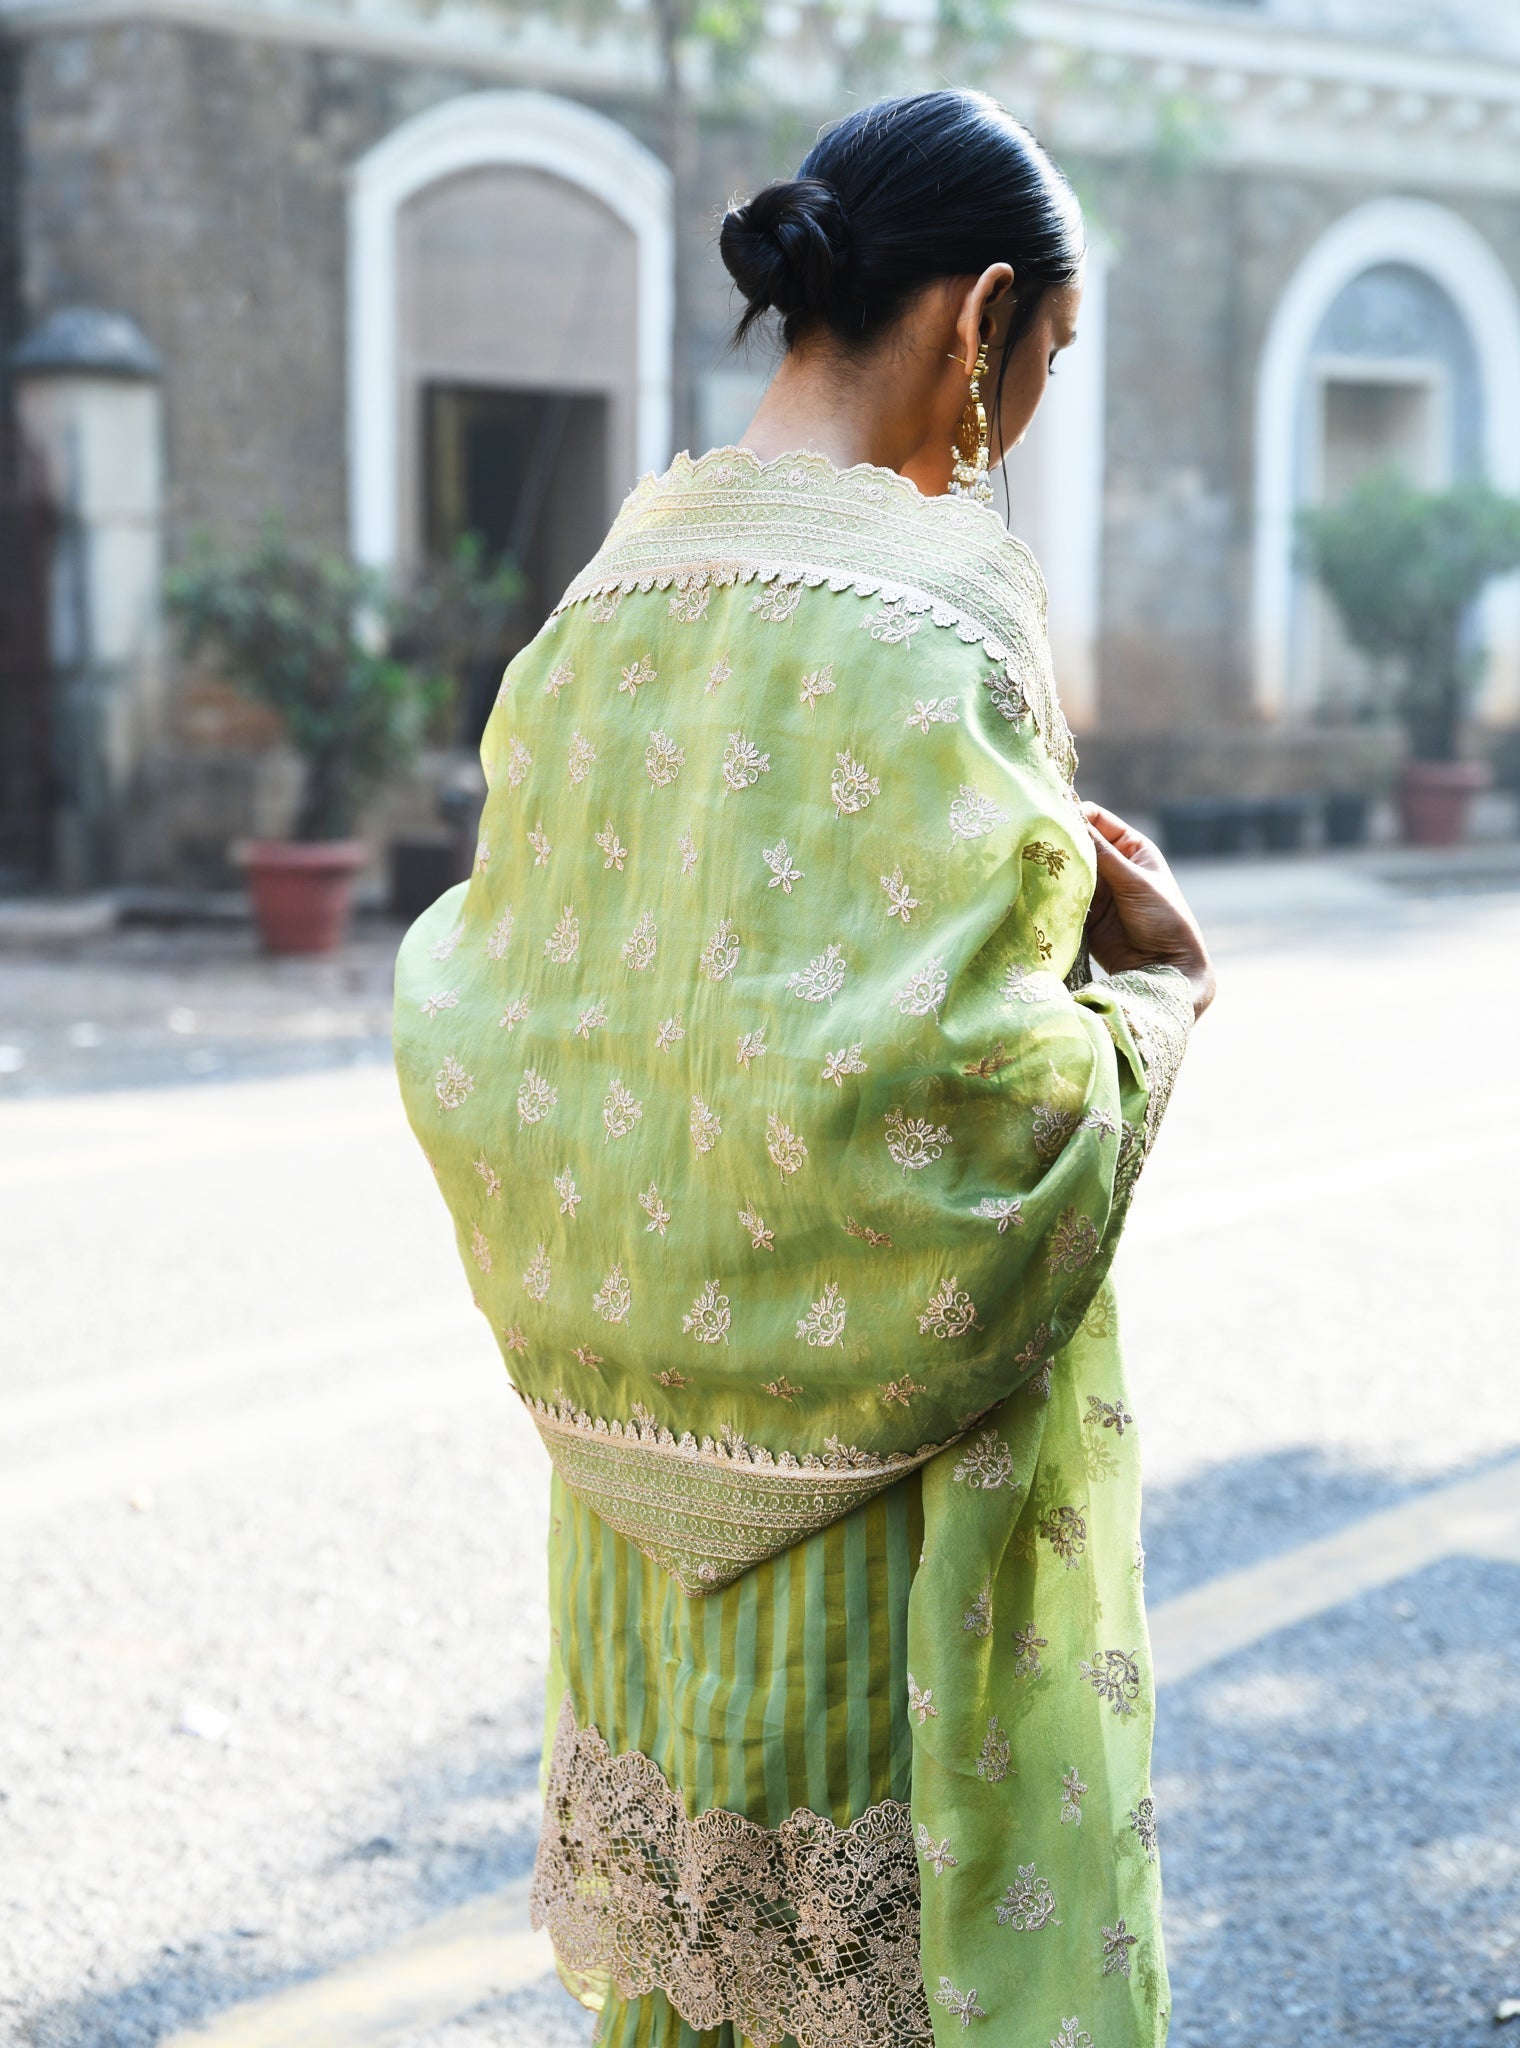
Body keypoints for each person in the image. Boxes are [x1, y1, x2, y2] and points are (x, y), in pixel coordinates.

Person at [393, 86, 1214, 2048]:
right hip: (880, 1527)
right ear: (981, 315)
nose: (1024, 415)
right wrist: (1160, 997)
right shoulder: (944, 620)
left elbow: (484, 1009)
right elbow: (987, 1122)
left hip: (636, 1501)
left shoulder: (604, 597)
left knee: (701, 1979)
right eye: (1046, 357)